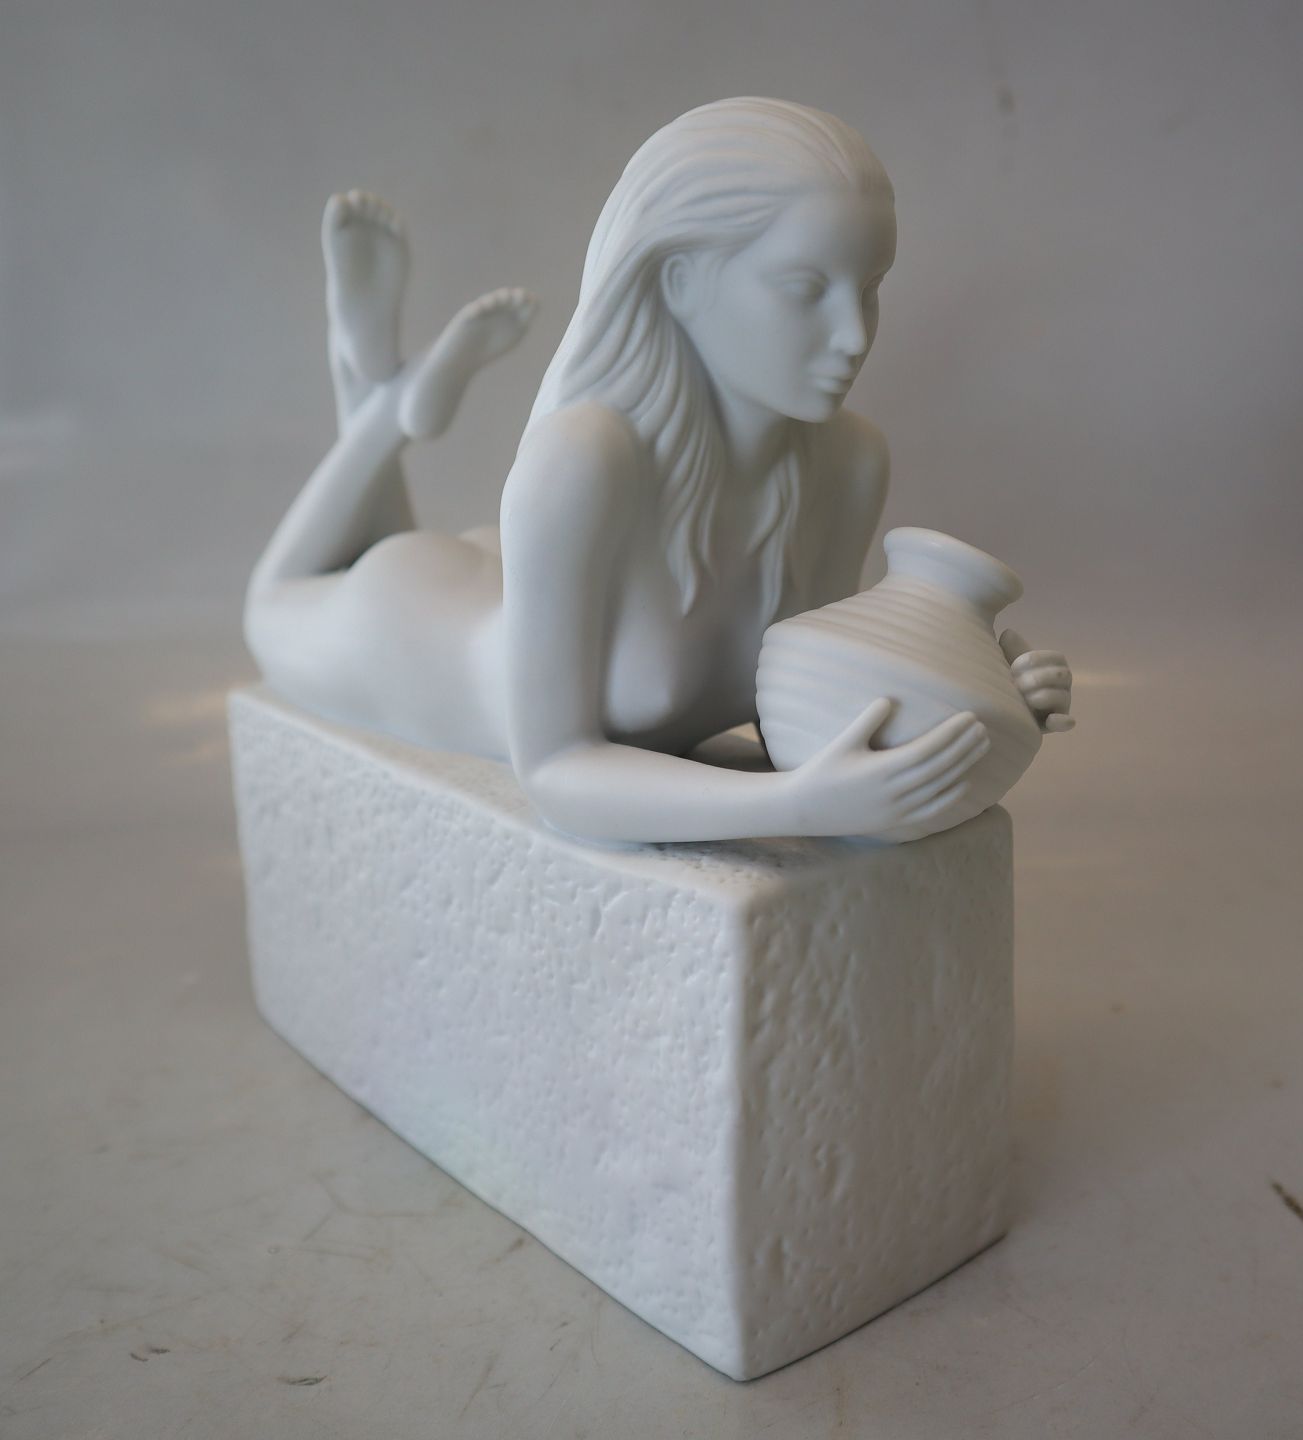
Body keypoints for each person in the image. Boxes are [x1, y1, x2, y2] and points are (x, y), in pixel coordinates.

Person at [244, 98, 1071, 844]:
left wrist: (982, 704)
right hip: (406, 627)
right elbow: (556, 774)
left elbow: (813, 718)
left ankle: (381, 389)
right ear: (679, 282)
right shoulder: (583, 459)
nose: (853, 334)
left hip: (497, 577)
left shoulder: (848, 462)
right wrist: (792, 806)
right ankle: (384, 410)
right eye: (803, 288)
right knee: (273, 603)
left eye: (871, 288)